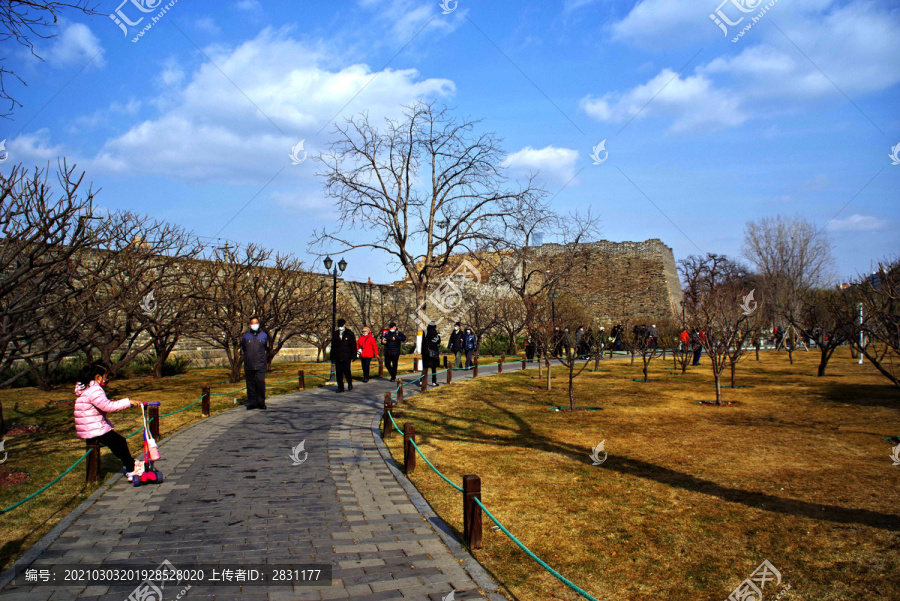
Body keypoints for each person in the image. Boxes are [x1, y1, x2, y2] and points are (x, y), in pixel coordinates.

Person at [74, 362, 144, 482]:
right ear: (98, 377)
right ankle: (131, 468)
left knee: (118, 443)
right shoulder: (95, 390)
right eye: (106, 377)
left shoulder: (86, 388)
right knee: (119, 443)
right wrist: (127, 402)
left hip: (90, 426)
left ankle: (131, 463)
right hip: (95, 427)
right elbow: (107, 407)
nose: (106, 381)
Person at [242, 317, 269, 410]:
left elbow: (265, 347)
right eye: (253, 323)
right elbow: (244, 348)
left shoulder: (264, 335)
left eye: (256, 323)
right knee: (250, 384)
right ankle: (252, 402)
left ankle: (261, 402)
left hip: (260, 363)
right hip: (249, 363)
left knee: (260, 382)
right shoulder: (246, 336)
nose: (255, 325)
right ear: (249, 325)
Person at [331, 318, 356, 392]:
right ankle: (340, 387)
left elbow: (353, 345)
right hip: (338, 356)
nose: (340, 327)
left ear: (345, 325)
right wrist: (332, 356)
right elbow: (333, 346)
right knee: (338, 372)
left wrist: (354, 355)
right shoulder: (335, 334)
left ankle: (349, 383)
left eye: (342, 325)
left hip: (346, 355)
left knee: (347, 370)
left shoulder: (349, 333)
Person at [423, 321, 441, 386]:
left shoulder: (425, 332)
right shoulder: (434, 333)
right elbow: (438, 341)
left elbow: (423, 342)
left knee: (425, 367)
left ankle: (422, 381)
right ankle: (434, 381)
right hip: (433, 351)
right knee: (433, 367)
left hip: (426, 351)